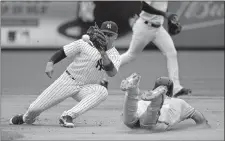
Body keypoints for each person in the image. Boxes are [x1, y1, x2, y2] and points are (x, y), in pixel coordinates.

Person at [9, 21, 121, 128]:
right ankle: (25, 118)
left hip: (86, 87)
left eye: (110, 35)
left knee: (102, 91)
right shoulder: (85, 43)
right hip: (68, 80)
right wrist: (51, 62)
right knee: (34, 109)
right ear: (100, 33)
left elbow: (112, 73)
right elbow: (64, 51)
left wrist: (102, 53)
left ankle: (68, 115)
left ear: (115, 36)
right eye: (104, 33)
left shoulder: (115, 55)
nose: (106, 36)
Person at [120, 1, 191, 97]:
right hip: (144, 27)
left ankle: (176, 88)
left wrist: (170, 22)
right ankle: (106, 68)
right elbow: (144, 6)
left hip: (158, 29)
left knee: (171, 53)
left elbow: (163, 7)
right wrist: (165, 14)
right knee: (131, 55)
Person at [120, 73, 210, 131]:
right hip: (156, 122)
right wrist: (205, 126)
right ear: (171, 91)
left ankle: (132, 90)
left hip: (134, 116)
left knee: (130, 111)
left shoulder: (142, 100)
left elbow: (122, 115)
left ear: (154, 88)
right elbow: (199, 118)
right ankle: (157, 100)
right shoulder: (180, 102)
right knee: (150, 117)